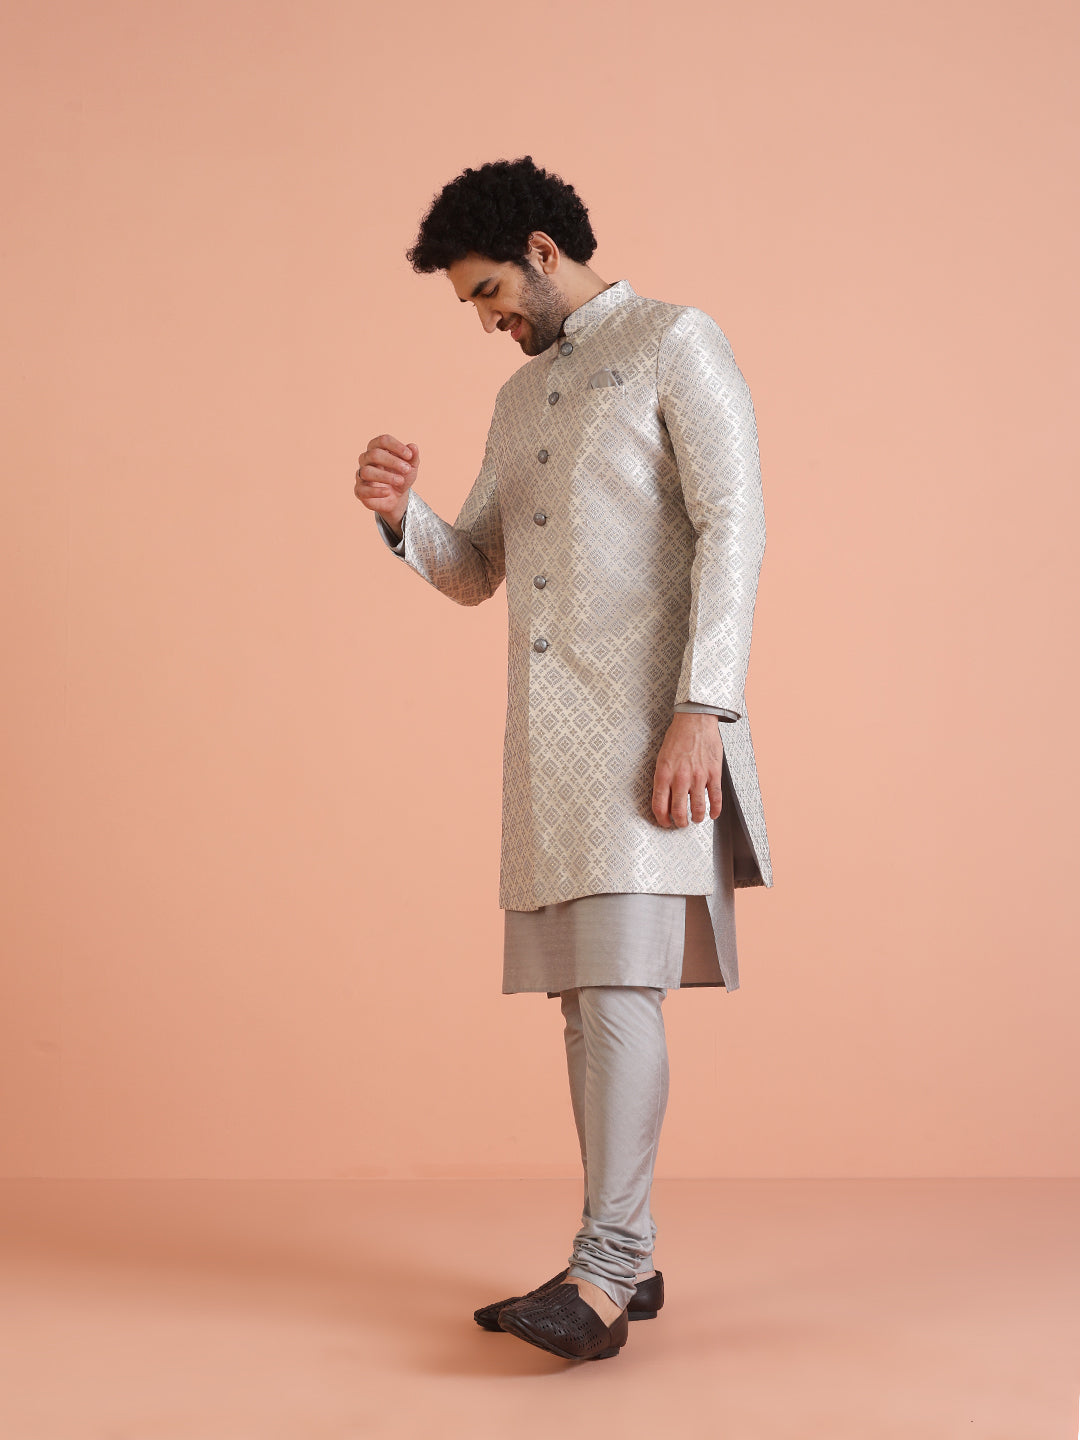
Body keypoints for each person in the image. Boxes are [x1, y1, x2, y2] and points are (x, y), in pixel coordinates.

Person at [354, 156, 773, 1363]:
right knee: (588, 1007)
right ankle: (622, 1254)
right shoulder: (521, 399)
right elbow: (476, 567)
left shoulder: (675, 340)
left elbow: (735, 524)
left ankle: (604, 1275)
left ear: (543, 252)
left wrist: (705, 707)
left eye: (489, 292)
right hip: (552, 747)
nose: (487, 320)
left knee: (620, 994)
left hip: (654, 732)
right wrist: (402, 517)